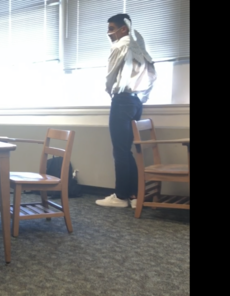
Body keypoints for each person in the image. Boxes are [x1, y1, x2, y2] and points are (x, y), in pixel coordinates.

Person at [96, 13, 157, 209]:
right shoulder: (139, 44)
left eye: (112, 29)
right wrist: (142, 98)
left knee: (120, 151)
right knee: (127, 151)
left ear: (124, 29)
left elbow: (110, 75)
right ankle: (134, 195)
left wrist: (111, 92)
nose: (109, 33)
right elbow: (152, 73)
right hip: (136, 102)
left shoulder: (120, 45)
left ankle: (121, 196)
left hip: (122, 100)